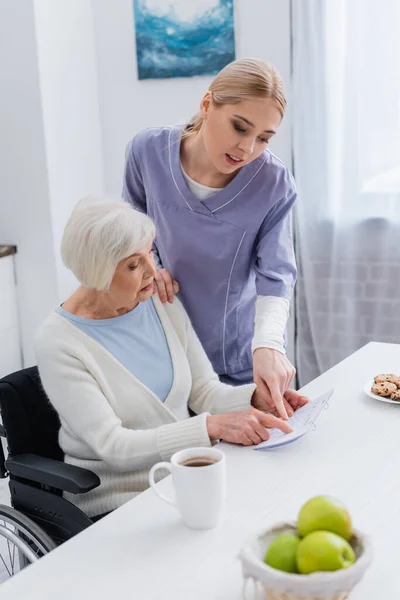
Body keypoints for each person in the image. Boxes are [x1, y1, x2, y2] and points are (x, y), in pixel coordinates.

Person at [34, 198, 300, 519]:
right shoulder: (58, 341)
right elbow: (113, 446)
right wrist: (211, 427)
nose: (151, 270)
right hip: (118, 499)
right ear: (97, 272)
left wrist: (256, 398)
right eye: (133, 265)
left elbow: (203, 392)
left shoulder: (159, 301)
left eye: (150, 253)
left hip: (187, 475)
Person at [123, 57, 303, 421]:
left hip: (234, 363)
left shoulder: (273, 183)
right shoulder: (147, 152)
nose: (247, 149)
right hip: (160, 351)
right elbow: (131, 231)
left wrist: (268, 344)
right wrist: (151, 266)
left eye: (264, 138)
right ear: (207, 105)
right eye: (240, 127)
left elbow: (277, 276)